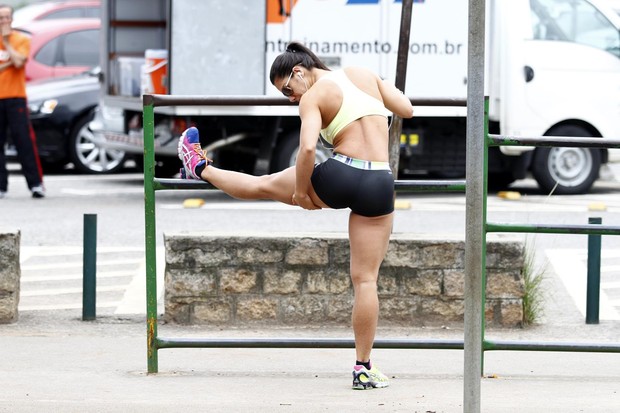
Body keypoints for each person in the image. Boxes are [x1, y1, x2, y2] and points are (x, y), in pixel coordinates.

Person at [178, 41, 413, 390]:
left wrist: (303, 192)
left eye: (287, 88)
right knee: (366, 281)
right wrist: (379, 87)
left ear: (300, 72)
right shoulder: (363, 73)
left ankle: (197, 165)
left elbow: (305, 148)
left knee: (263, 184)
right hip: (379, 180)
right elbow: (406, 109)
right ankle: (363, 368)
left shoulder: (313, 96)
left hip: (342, 173)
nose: (290, 98)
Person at [0, 4, 45, 199]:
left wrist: (6, 42)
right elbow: (15, 62)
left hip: (16, 98)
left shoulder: (20, 39)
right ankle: (1, 186)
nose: (4, 21)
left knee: (24, 141)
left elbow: (20, 61)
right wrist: (11, 61)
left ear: (12, 19)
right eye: (0, 18)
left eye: (6, 17)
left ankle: (35, 184)